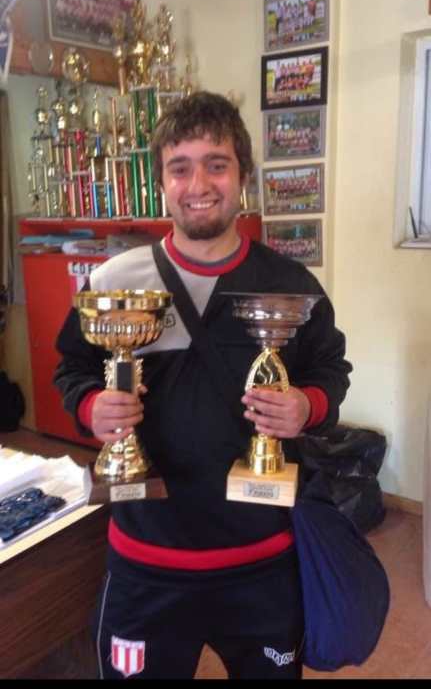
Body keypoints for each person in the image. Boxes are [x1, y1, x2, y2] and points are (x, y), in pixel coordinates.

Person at [54, 91, 352, 680]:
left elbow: (330, 370)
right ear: (161, 182)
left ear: (242, 175)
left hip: (262, 561)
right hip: (146, 561)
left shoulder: (290, 284)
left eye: (217, 164)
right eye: (180, 167)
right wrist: (92, 408)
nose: (198, 185)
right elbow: (72, 368)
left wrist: (306, 405)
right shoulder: (114, 281)